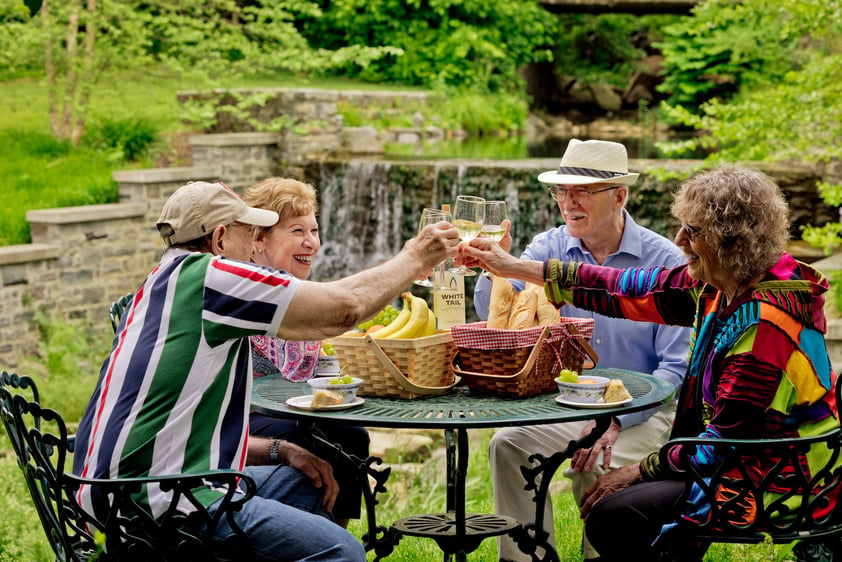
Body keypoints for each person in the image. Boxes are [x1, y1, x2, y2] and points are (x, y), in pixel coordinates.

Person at [460, 164, 840, 560]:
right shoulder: (718, 286)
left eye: (693, 232)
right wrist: (511, 267)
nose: (680, 240)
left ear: (733, 242)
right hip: (739, 460)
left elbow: (720, 445)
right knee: (613, 503)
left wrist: (636, 470)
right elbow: (619, 287)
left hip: (779, 482)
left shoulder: (765, 327)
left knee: (613, 514)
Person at [71, 180, 459, 562]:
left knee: (305, 482)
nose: (255, 243)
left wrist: (284, 449)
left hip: (120, 493)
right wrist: (416, 257)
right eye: (250, 232)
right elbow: (344, 309)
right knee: (343, 551)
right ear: (220, 238)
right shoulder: (212, 278)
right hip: (156, 505)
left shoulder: (160, 284)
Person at [472, 139, 691, 561]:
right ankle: (525, 558)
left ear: (619, 196)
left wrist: (616, 421)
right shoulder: (548, 247)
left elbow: (674, 369)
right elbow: (496, 318)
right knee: (507, 444)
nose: (567, 202)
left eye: (581, 191)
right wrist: (491, 265)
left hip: (642, 411)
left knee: (595, 467)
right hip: (568, 406)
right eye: (561, 191)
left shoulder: (664, 261)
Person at [244, 177, 369, 529]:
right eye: (297, 230)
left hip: (285, 407)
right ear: (259, 239)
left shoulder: (298, 290)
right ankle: (312, 535)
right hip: (240, 416)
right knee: (326, 435)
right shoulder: (245, 288)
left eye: (314, 230)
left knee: (352, 435)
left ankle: (332, 536)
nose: (311, 242)